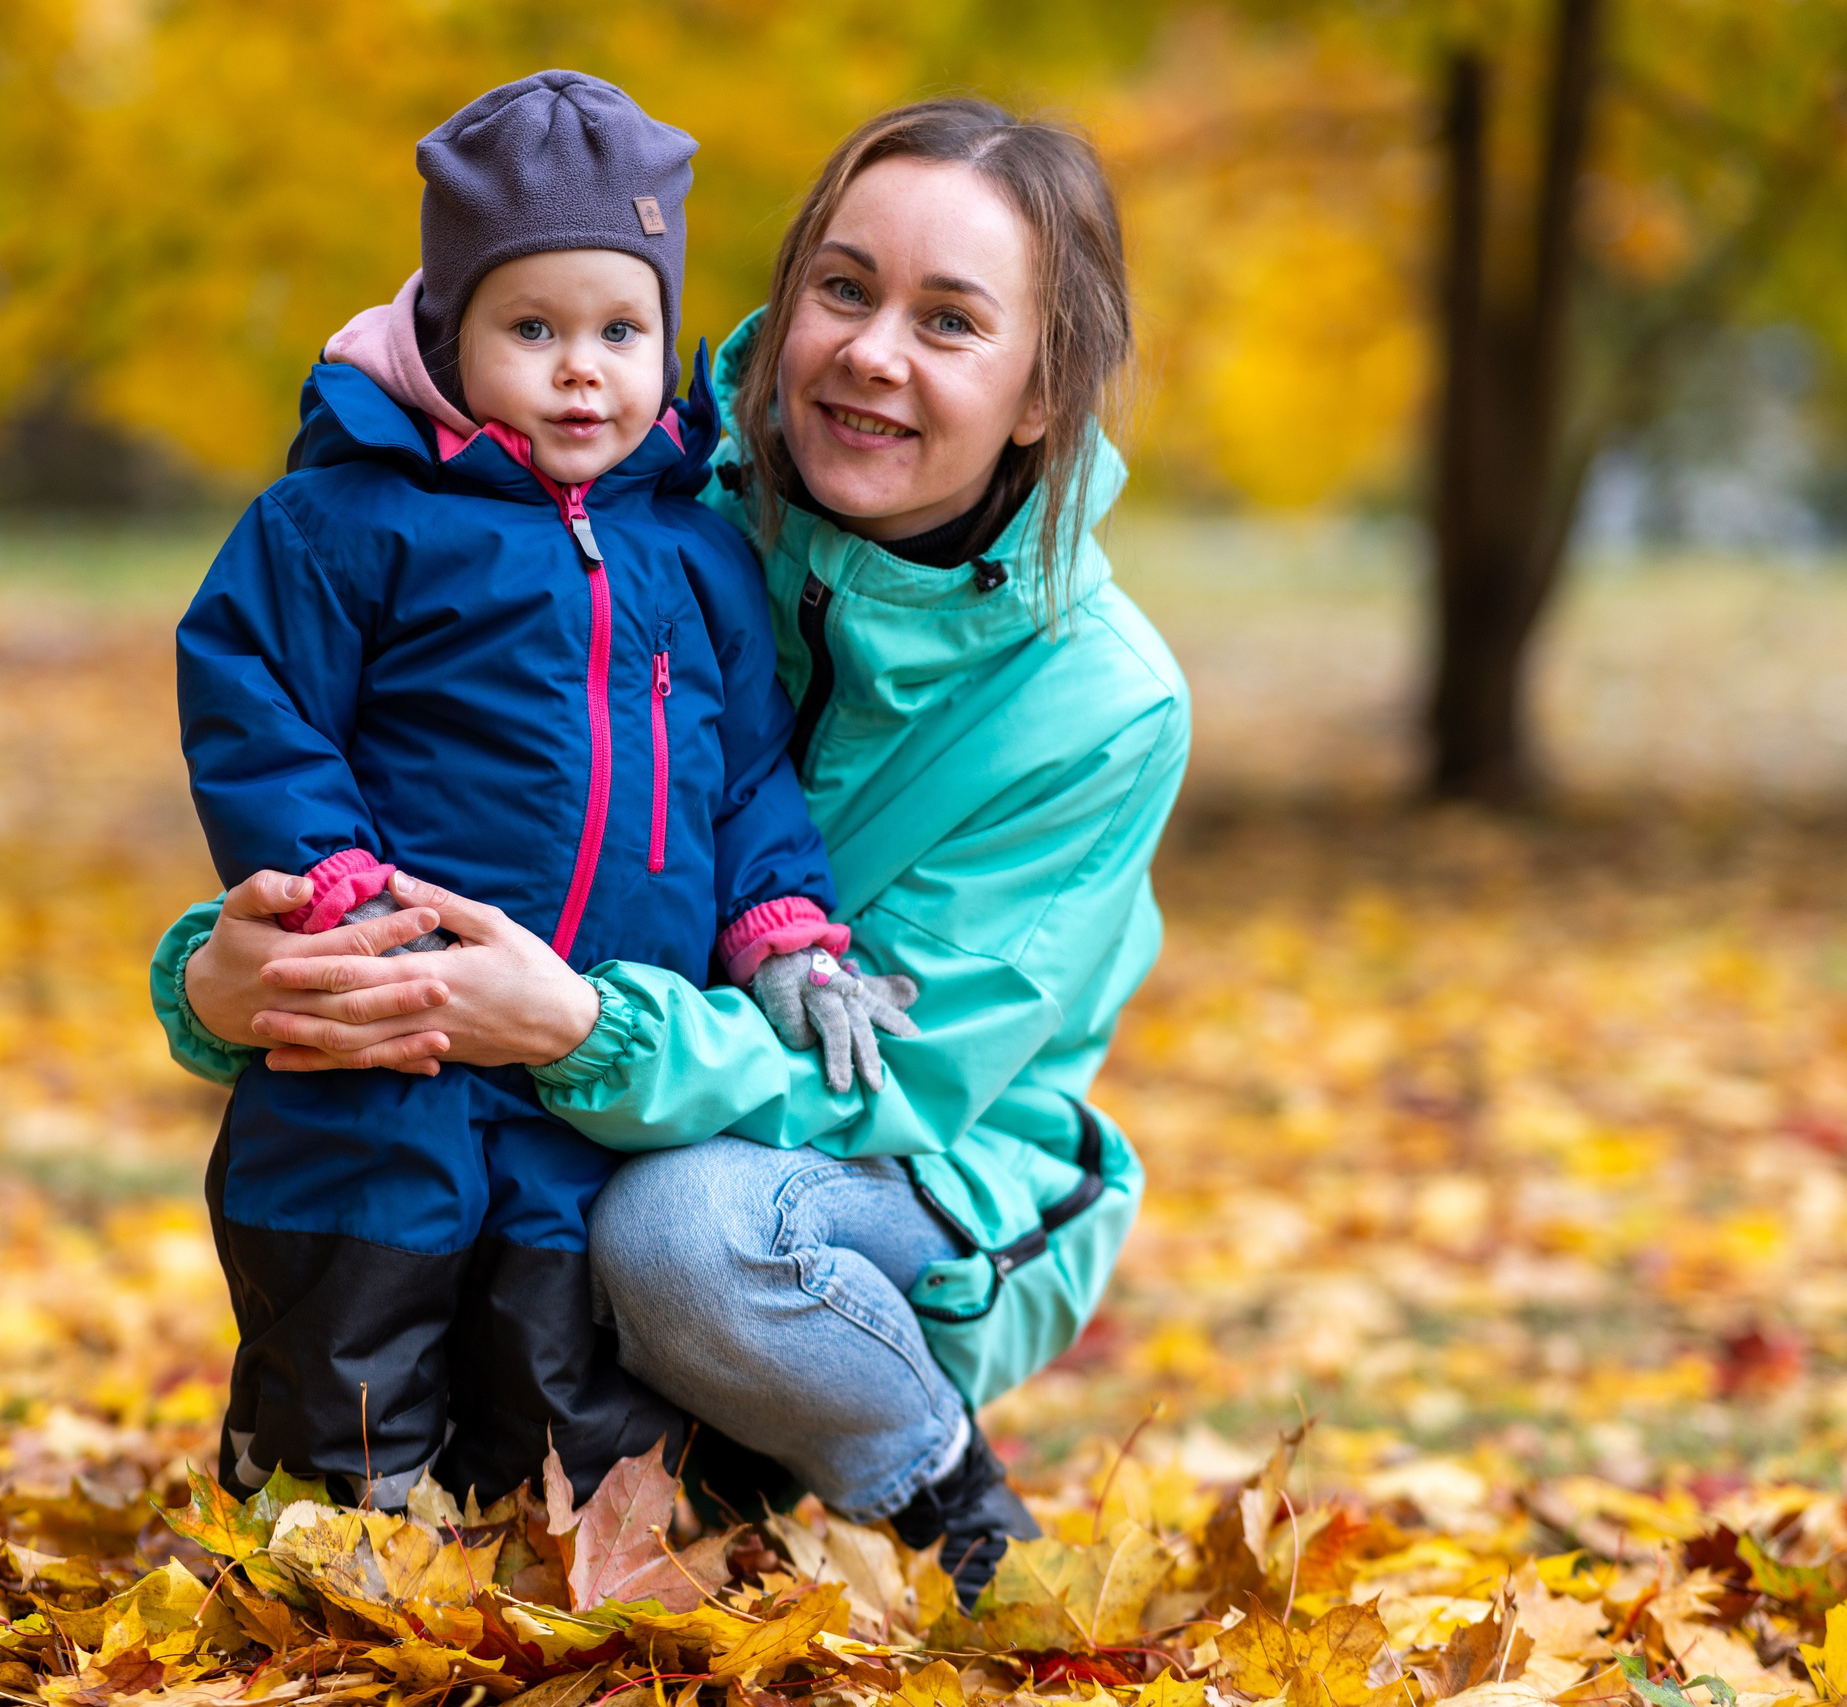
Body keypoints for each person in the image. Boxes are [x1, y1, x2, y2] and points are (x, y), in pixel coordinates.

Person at [162, 99, 1190, 1606]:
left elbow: (891, 1079)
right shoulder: (636, 497)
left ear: (1045, 393)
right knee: (485, 1282)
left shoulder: (1101, 702)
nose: (872, 353)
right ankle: (534, 1497)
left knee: (679, 1232)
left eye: (952, 322)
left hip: (906, 1172)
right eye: (843, 289)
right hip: (574, 1093)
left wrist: (579, 1025)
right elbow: (404, 792)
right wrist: (215, 978)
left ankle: (931, 1479)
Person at [166, 70, 919, 1513]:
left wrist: (781, 930)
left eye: (621, 330)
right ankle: (324, 1541)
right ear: (449, 335)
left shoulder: (692, 556)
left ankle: (537, 1564)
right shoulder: (350, 522)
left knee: (556, 1355)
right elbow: (255, 696)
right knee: (357, 1313)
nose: (585, 370)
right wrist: (335, 879)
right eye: (535, 329)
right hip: (393, 1027)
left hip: (588, 1045)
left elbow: (743, 769)